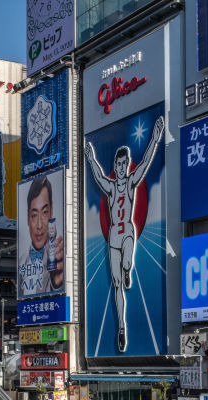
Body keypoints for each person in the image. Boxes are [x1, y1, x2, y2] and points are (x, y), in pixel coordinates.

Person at [84, 115, 165, 352]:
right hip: (113, 237)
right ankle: (121, 327)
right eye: (118, 165)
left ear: (126, 163)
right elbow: (98, 176)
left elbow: (146, 163)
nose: (120, 168)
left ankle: (128, 269)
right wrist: (90, 158)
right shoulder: (110, 187)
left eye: (124, 164)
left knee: (127, 262)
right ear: (115, 166)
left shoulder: (130, 183)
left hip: (127, 231)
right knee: (117, 285)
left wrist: (155, 139)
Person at [18, 175, 63, 297]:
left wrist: (56, 284)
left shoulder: (60, 256)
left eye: (44, 213)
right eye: (34, 215)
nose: (39, 225)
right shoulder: (20, 261)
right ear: (28, 218)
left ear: (51, 211)